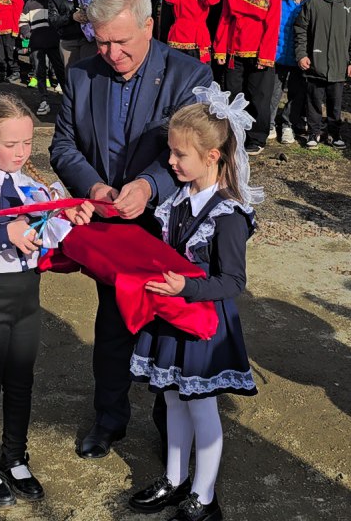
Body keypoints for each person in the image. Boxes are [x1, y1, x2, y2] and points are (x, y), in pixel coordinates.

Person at [49, 0, 213, 461]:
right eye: (102, 42)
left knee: (169, 325)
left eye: (122, 42)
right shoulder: (81, 72)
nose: (112, 53)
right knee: (114, 322)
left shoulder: (189, 74)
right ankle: (109, 417)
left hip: (169, 224)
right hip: (110, 225)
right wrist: (94, 186)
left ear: (148, 26)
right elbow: (63, 146)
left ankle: (172, 430)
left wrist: (148, 185)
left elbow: (199, 151)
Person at [0, 96, 94, 507]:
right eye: (10, 144)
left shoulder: (39, 187)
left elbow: (48, 237)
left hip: (27, 297)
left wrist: (68, 218)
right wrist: (2, 234)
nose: (20, 152)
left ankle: (14, 457)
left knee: (21, 383)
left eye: (27, 143)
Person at [128, 85, 259, 521]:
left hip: (203, 322)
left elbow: (232, 281)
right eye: (171, 151)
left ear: (213, 156)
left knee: (201, 407)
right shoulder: (177, 202)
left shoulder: (228, 215)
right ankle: (173, 478)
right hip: (170, 315)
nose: (170, 161)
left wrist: (186, 288)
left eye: (180, 155)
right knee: (171, 399)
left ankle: (203, 496)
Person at [215, 0, 282, 155]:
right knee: (233, 94)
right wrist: (220, 47)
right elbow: (225, 18)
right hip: (234, 50)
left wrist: (266, 55)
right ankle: (234, 134)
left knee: (259, 97)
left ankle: (256, 137)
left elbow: (272, 24)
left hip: (259, 52)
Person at [296, 0, 351, 150]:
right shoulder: (313, 4)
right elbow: (301, 30)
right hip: (315, 65)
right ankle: (314, 132)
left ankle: (334, 133)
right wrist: (302, 54)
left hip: (339, 66)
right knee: (314, 101)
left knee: (335, 104)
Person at [272, 0, 312, 146]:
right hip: (278, 56)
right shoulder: (279, 5)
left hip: (298, 59)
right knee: (274, 93)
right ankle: (270, 123)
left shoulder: (310, 6)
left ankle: (288, 124)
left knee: (296, 93)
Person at [21, 0, 67, 115]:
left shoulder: (54, 1)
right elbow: (22, 21)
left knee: (60, 70)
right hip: (37, 43)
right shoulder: (30, 4)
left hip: (53, 42)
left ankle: (67, 99)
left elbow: (60, 20)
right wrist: (28, 34)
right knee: (40, 71)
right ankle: (43, 100)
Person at [52, 0, 90, 67]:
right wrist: (71, 17)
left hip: (86, 39)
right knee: (71, 74)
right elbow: (53, 20)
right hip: (68, 41)